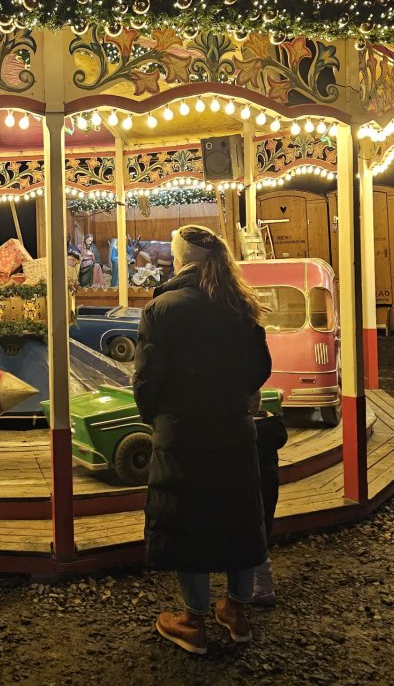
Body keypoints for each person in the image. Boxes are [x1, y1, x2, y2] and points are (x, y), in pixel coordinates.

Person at [133, 224, 272, 654]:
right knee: (237, 515)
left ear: (180, 258)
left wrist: (156, 416)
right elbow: (259, 369)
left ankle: (193, 620)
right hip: (232, 426)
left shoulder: (164, 307)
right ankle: (237, 610)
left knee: (186, 519)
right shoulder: (239, 304)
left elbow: (146, 379)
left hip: (183, 430)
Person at [250, 392, 288, 606]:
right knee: (262, 529)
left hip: (248, 489)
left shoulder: (244, 434)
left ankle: (243, 592)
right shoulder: (271, 427)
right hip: (267, 487)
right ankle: (264, 587)